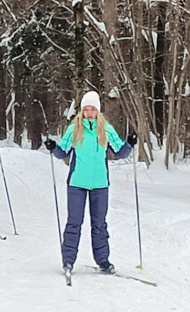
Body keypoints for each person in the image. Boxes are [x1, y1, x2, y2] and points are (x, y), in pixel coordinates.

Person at [44, 91, 137, 275]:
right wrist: (53, 147)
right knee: (74, 222)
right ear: (82, 111)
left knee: (99, 224)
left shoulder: (106, 129)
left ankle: (103, 260)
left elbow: (119, 152)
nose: (89, 112)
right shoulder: (74, 129)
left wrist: (129, 144)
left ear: (98, 110)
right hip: (77, 182)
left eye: (92, 109)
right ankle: (68, 260)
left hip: (100, 184)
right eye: (86, 109)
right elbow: (63, 152)